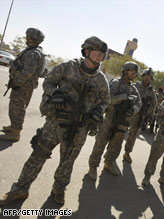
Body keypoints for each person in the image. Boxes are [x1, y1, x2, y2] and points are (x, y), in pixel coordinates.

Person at [0, 36, 110, 205]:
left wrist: (98, 111)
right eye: (96, 53)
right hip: (55, 122)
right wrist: (55, 93)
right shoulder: (67, 67)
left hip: (79, 128)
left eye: (102, 54)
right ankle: (20, 189)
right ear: (86, 51)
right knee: (38, 155)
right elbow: (48, 82)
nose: (99, 57)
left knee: (67, 162)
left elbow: (105, 101)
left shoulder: (101, 79)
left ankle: (58, 189)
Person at [88, 61, 142, 179]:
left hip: (123, 122)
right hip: (110, 119)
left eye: (135, 72)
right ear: (125, 71)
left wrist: (133, 109)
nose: (134, 74)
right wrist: (124, 97)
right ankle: (93, 166)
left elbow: (139, 103)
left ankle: (109, 163)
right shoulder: (116, 83)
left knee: (116, 144)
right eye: (132, 71)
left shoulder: (134, 88)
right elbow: (108, 99)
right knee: (100, 143)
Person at [0, 28, 46, 141]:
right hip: (23, 85)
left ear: (32, 38)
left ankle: (15, 133)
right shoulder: (32, 51)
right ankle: (13, 127)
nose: (26, 38)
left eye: (28, 36)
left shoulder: (33, 53)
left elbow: (28, 72)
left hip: (23, 86)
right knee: (14, 107)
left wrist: (18, 82)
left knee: (18, 108)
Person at [123, 68, 157, 163]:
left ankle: (127, 152)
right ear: (142, 76)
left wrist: (149, 115)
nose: (147, 78)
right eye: (146, 76)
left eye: (149, 77)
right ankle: (111, 150)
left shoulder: (151, 91)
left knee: (133, 135)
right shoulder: (135, 86)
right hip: (129, 113)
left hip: (140, 116)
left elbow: (154, 104)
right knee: (119, 132)